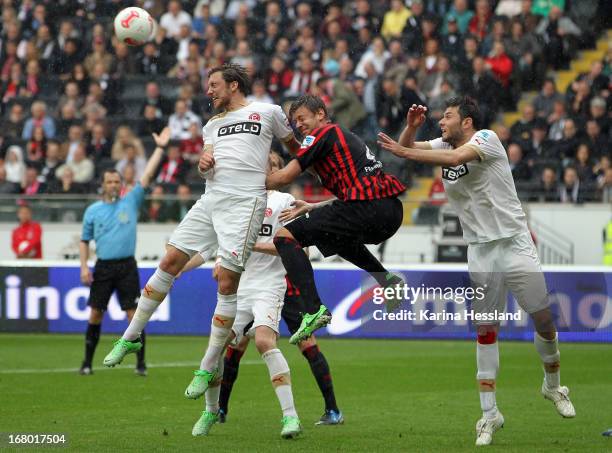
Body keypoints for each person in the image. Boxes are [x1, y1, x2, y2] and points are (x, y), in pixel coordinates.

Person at [102, 64, 300, 436]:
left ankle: (207, 365)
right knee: (169, 260)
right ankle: (131, 336)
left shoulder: (268, 112)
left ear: (234, 85)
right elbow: (207, 164)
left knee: (226, 281)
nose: (207, 91)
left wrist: (281, 177)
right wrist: (202, 162)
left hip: (244, 205)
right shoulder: (211, 125)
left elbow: (299, 151)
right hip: (211, 201)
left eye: (213, 85)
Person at [377, 98, 576, 446]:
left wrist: (406, 153)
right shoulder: (443, 143)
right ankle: (489, 415)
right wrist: (410, 126)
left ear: (466, 122)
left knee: (543, 319)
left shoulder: (486, 138)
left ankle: (553, 386)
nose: (441, 122)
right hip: (481, 251)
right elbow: (405, 146)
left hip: (514, 243)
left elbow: (450, 159)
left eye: (448, 117)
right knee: (485, 330)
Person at [182, 153, 342, 437]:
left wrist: (250, 245)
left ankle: (291, 417)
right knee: (221, 347)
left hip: (271, 285)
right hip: (240, 287)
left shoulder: (283, 202)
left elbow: (297, 247)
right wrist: (180, 268)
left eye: (270, 166)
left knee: (265, 341)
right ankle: (211, 411)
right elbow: (209, 248)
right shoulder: (235, 203)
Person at [265, 95, 406, 344]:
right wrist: (315, 205)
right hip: (389, 211)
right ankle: (386, 280)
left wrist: (240, 181)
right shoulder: (333, 141)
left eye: (301, 118)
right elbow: (309, 163)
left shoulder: (324, 134)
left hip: (367, 208)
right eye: (293, 122)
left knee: (284, 237)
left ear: (320, 113)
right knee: (336, 237)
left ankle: (313, 308)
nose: (298, 125)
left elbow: (285, 176)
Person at [78, 128, 169, 376]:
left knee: (134, 315)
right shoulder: (93, 211)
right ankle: (87, 363)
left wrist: (160, 148)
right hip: (104, 267)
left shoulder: (130, 200)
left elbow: (148, 174)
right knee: (96, 313)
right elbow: (84, 241)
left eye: (117, 181)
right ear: (103, 185)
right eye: (109, 181)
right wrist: (84, 266)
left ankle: (140, 364)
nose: (114, 185)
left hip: (127, 266)